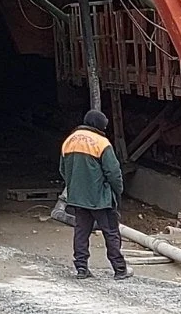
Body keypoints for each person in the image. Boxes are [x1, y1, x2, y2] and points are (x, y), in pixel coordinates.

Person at [59, 109, 129, 280]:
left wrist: (74, 187)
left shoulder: (69, 140)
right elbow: (113, 172)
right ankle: (119, 269)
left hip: (77, 198)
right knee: (111, 232)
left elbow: (62, 169)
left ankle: (82, 268)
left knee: (81, 232)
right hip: (100, 199)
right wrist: (118, 191)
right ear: (99, 125)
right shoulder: (101, 142)